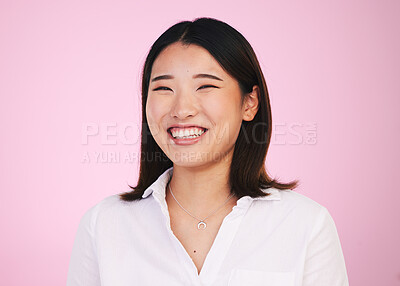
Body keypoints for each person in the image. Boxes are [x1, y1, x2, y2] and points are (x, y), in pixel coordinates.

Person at [67, 17, 349, 286]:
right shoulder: (103, 225)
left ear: (250, 103)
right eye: (164, 88)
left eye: (205, 86)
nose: (182, 109)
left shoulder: (305, 225)